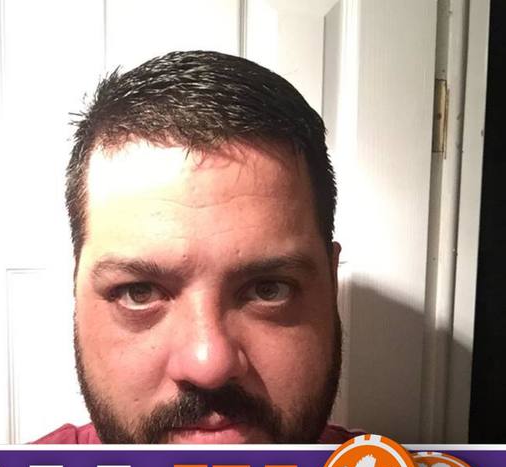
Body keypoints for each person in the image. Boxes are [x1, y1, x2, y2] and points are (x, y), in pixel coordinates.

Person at [36, 50, 357, 445]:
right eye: (139, 292)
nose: (210, 365)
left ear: (331, 281)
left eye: (269, 289)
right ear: (76, 288)